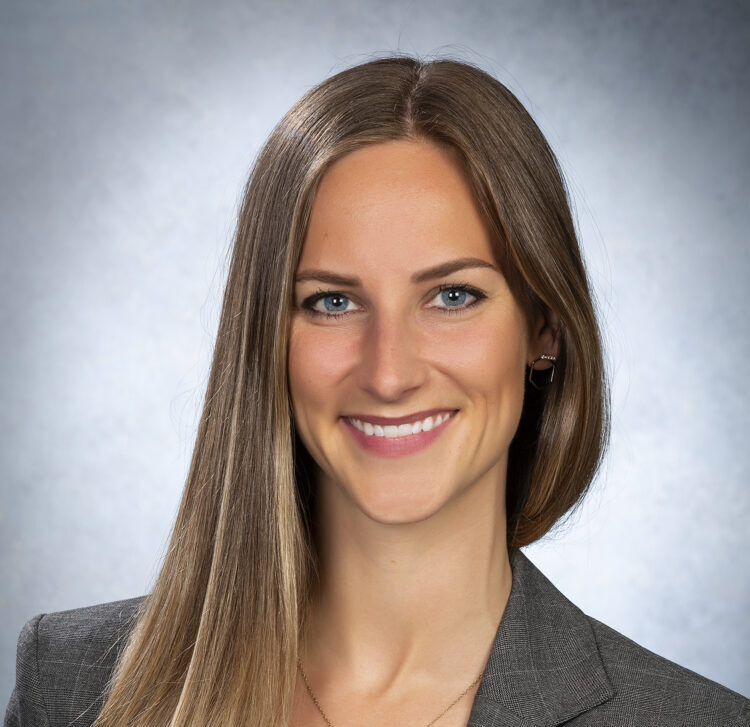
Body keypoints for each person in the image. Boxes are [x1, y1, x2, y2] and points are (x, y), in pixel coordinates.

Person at [5, 56, 748, 727]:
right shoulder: (72, 687)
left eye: (453, 295)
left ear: (544, 329)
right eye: (332, 301)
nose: (389, 373)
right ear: (266, 336)